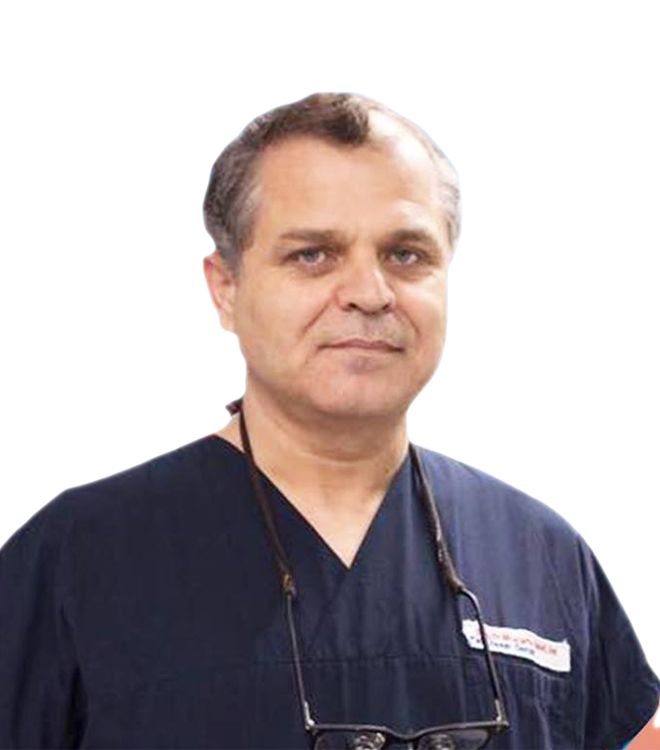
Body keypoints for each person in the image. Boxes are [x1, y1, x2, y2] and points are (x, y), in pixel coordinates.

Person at [0, 93, 657, 750]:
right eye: (313, 254)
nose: (369, 294)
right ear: (225, 289)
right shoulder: (80, 556)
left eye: (406, 255)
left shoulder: (540, 557)